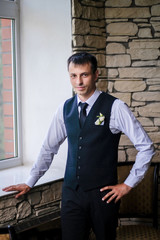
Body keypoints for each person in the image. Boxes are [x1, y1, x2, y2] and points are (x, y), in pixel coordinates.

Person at [3, 52, 155, 240]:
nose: (79, 82)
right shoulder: (64, 109)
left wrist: (126, 185)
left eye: (84, 74)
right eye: (73, 76)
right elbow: (48, 148)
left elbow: (146, 147)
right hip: (71, 195)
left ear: (96, 74)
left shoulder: (115, 107)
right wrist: (30, 181)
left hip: (104, 196)